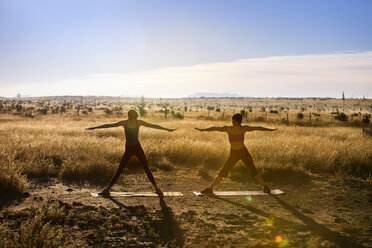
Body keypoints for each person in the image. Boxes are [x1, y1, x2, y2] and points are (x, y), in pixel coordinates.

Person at [86, 110, 175, 197]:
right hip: (128, 149)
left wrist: (167, 129)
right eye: (134, 118)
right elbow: (109, 125)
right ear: (130, 117)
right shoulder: (124, 123)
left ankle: (157, 189)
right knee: (120, 169)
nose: (136, 119)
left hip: (137, 148)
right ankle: (107, 190)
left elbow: (152, 125)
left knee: (146, 168)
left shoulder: (138, 122)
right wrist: (95, 127)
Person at [195, 113, 277, 195]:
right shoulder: (228, 129)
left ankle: (265, 187)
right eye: (232, 120)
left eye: (234, 121)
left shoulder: (243, 128)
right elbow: (215, 128)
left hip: (243, 152)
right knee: (224, 171)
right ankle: (210, 188)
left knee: (253, 170)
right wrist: (203, 130)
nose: (233, 122)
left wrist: (270, 130)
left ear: (238, 121)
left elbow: (258, 128)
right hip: (233, 153)